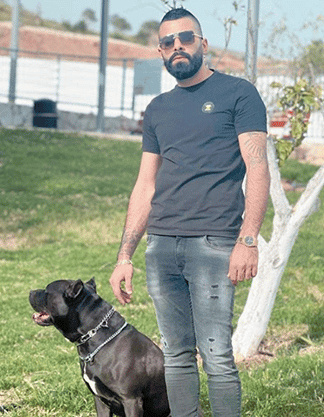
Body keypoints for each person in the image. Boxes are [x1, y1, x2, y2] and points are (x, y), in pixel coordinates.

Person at [108, 8, 269, 417]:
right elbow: (146, 184)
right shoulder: (158, 109)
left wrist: (247, 240)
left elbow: (257, 168)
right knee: (176, 355)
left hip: (215, 243)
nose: (176, 46)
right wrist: (125, 255)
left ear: (202, 44)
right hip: (161, 246)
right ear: (160, 52)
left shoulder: (239, 93)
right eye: (167, 41)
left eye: (185, 38)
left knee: (216, 357)